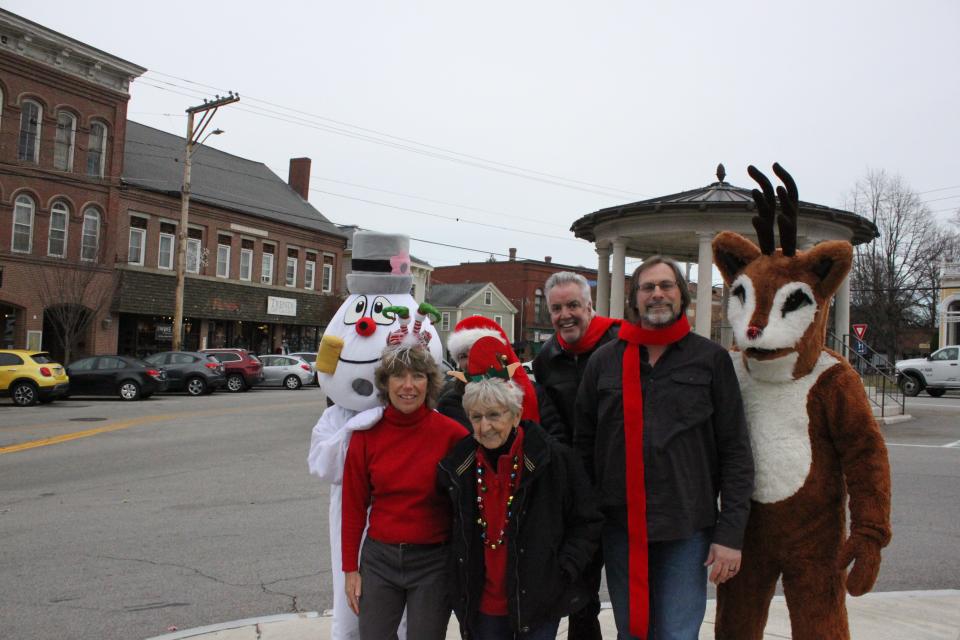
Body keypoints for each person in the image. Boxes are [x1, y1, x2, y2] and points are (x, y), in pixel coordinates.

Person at [574, 256, 754, 640]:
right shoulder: (604, 364)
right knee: (633, 632)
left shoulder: (712, 361)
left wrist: (730, 535)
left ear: (682, 295)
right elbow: (583, 449)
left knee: (675, 634)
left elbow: (736, 451)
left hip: (687, 529)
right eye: (647, 287)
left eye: (666, 286)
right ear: (634, 299)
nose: (657, 294)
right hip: (621, 528)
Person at [439, 336, 602, 640]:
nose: (485, 426)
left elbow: (588, 522)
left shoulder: (553, 460)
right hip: (482, 606)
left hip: (538, 601)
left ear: (515, 415)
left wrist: (562, 570)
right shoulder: (457, 467)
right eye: (476, 417)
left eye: (495, 415)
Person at [341, 344, 468, 640]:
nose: (408, 386)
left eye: (418, 376)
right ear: (386, 383)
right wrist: (350, 569)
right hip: (379, 560)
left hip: (433, 562)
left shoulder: (453, 435)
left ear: (430, 382)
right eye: (399, 376)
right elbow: (353, 505)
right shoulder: (365, 435)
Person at [531, 271, 618, 640]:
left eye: (572, 306)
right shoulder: (547, 359)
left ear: (590, 306)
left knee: (631, 582)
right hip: (578, 487)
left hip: (622, 481)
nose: (565, 315)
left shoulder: (622, 344)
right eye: (556, 308)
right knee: (581, 589)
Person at [438, 315, 539, 430]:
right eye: (463, 356)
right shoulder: (450, 404)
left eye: (480, 351)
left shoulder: (536, 393)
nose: (472, 361)